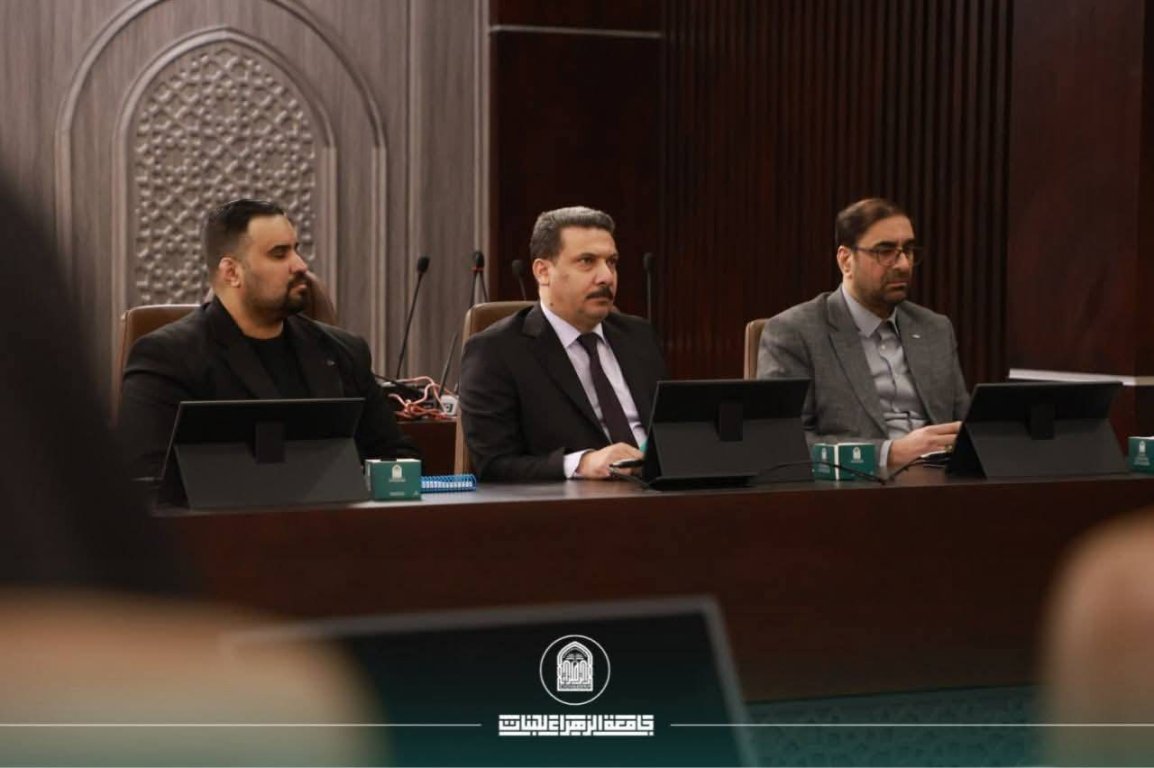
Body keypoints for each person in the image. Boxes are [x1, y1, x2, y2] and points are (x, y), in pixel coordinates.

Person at [119, 198, 418, 479]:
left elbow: (398, 459)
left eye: (296, 249)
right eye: (279, 253)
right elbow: (147, 482)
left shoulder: (344, 352)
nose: (300, 265)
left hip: (337, 515)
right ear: (231, 272)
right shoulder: (167, 358)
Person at [757, 197, 968, 471]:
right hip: (855, 486)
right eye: (885, 251)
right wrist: (888, 454)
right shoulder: (795, 332)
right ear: (846, 260)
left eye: (908, 250)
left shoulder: (934, 328)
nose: (904, 264)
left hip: (942, 480)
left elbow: (966, 425)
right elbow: (783, 443)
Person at [459, 206, 666, 481]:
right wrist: (581, 464)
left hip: (662, 494)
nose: (606, 276)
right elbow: (493, 465)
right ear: (543, 271)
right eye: (587, 261)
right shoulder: (496, 352)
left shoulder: (638, 336)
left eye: (611, 262)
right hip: (574, 501)